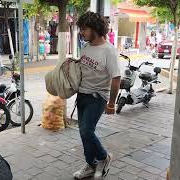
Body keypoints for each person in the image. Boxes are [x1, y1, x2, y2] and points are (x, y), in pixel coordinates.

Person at [74, 11, 121, 179]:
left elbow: (116, 78)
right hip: (82, 96)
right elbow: (83, 69)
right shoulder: (85, 47)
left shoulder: (109, 51)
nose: (81, 32)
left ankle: (104, 157)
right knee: (83, 133)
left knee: (87, 131)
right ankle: (90, 165)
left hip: (97, 97)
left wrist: (111, 104)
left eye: (84, 29)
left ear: (94, 29)